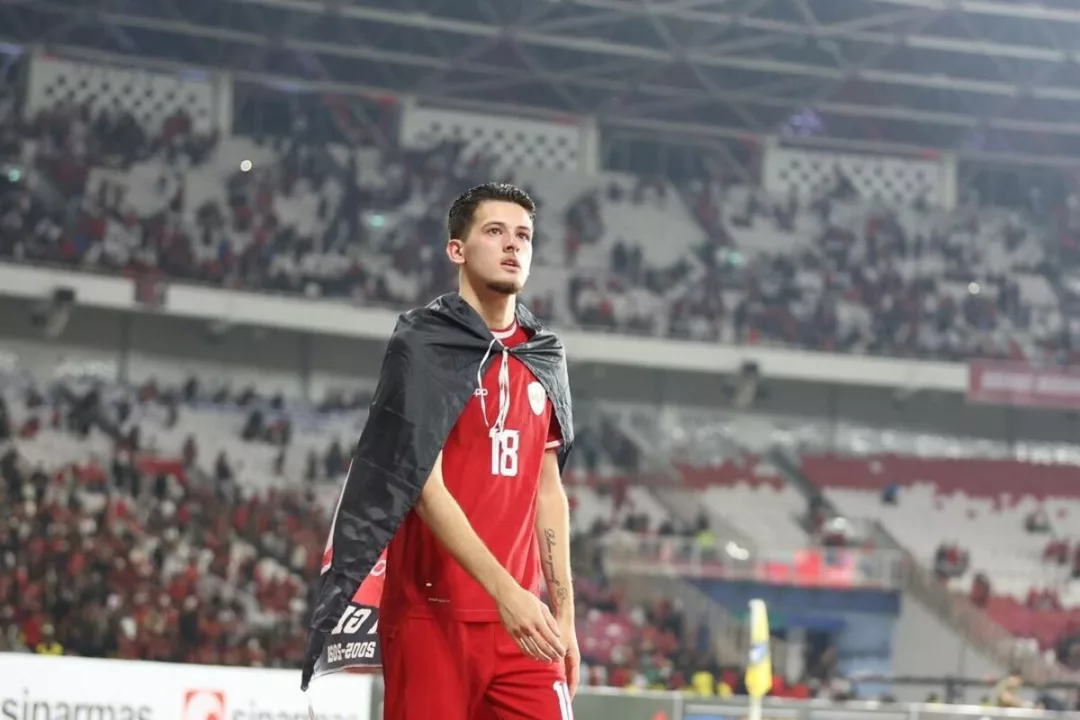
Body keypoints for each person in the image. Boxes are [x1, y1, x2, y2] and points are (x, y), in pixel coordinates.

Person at [304, 183, 578, 720]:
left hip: (525, 624)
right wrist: (507, 593)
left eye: (523, 235)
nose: (512, 246)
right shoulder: (422, 344)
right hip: (432, 618)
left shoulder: (545, 353)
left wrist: (563, 616)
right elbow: (420, 485)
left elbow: (549, 490)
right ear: (457, 249)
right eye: (495, 231)